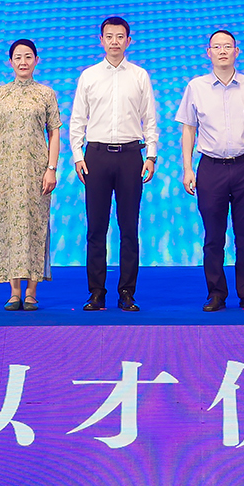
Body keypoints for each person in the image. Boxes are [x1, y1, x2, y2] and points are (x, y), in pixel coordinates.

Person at [177, 28, 244, 312]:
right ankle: (216, 293)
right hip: (211, 168)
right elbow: (189, 129)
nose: (222, 51)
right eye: (217, 47)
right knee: (213, 236)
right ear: (208, 53)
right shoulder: (196, 87)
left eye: (227, 46)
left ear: (236, 51)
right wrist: (187, 168)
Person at [68, 15, 158, 312]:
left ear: (128, 41)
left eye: (120, 37)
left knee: (129, 228)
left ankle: (127, 293)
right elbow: (78, 120)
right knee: (96, 228)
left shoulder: (140, 76)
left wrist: (151, 155)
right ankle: (96, 293)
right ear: (101, 40)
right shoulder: (89, 76)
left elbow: (150, 119)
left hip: (131, 156)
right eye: (109, 36)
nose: (115, 42)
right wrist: (78, 156)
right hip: (96, 156)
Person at [0, 37, 62, 312]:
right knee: (10, 227)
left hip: (36, 171)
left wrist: (51, 168)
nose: (23, 62)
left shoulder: (45, 94)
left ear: (36, 60)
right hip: (7, 171)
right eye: (18, 57)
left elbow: (54, 132)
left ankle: (31, 291)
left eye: (28, 56)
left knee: (35, 226)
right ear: (10, 62)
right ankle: (14, 291)